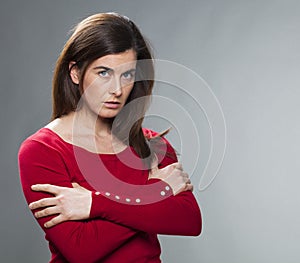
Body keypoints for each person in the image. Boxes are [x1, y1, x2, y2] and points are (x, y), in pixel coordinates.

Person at [18, 12, 201, 263]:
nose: (117, 90)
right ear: (75, 73)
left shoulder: (151, 145)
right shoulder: (42, 150)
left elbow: (190, 221)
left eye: (127, 75)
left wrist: (94, 205)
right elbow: (81, 250)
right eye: (103, 73)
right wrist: (154, 191)